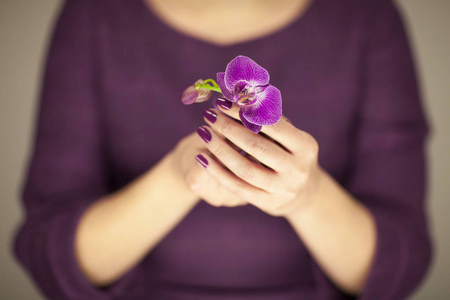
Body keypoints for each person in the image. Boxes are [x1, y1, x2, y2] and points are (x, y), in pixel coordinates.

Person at [14, 0, 432, 299]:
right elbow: (47, 251)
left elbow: (400, 265)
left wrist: (308, 196)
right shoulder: (92, 15)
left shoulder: (367, 16)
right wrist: (179, 177)